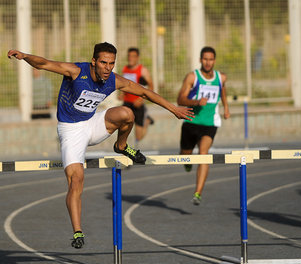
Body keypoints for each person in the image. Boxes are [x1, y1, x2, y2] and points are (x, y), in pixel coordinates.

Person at [8, 42, 193, 248]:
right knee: (76, 180)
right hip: (71, 130)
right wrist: (24, 56)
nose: (107, 68)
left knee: (127, 113)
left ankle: (121, 147)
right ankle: (78, 232)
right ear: (94, 61)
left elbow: (144, 92)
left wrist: (173, 109)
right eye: (103, 62)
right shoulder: (76, 71)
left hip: (93, 123)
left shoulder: (112, 80)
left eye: (111, 63)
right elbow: (43, 64)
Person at [177, 46, 230, 205]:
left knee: (204, 154)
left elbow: (222, 91)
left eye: (211, 59)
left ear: (214, 60)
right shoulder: (192, 77)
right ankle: (187, 162)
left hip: (209, 123)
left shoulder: (221, 77)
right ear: (201, 60)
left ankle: (198, 192)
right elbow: (180, 100)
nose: (208, 62)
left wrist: (226, 107)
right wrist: (196, 102)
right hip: (191, 122)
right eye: (205, 59)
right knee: (185, 155)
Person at [120, 47, 154, 144]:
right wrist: (122, 94)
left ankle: (146, 122)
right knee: (122, 126)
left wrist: (141, 99)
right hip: (127, 103)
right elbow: (125, 84)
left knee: (138, 136)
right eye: (129, 56)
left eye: (133, 56)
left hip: (138, 104)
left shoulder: (142, 70)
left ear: (137, 58)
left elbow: (151, 86)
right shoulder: (125, 69)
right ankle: (122, 146)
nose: (131, 58)